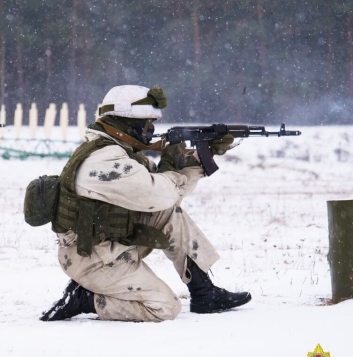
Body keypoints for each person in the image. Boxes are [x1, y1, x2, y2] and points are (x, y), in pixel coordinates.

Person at [40, 85, 251, 322]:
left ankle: (204, 292)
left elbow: (167, 197)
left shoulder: (119, 153)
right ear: (126, 123)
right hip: (91, 258)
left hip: (110, 243)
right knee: (164, 308)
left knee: (169, 213)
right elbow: (158, 194)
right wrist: (174, 162)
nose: (150, 132)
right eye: (146, 125)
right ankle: (87, 298)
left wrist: (198, 160)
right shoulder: (106, 161)